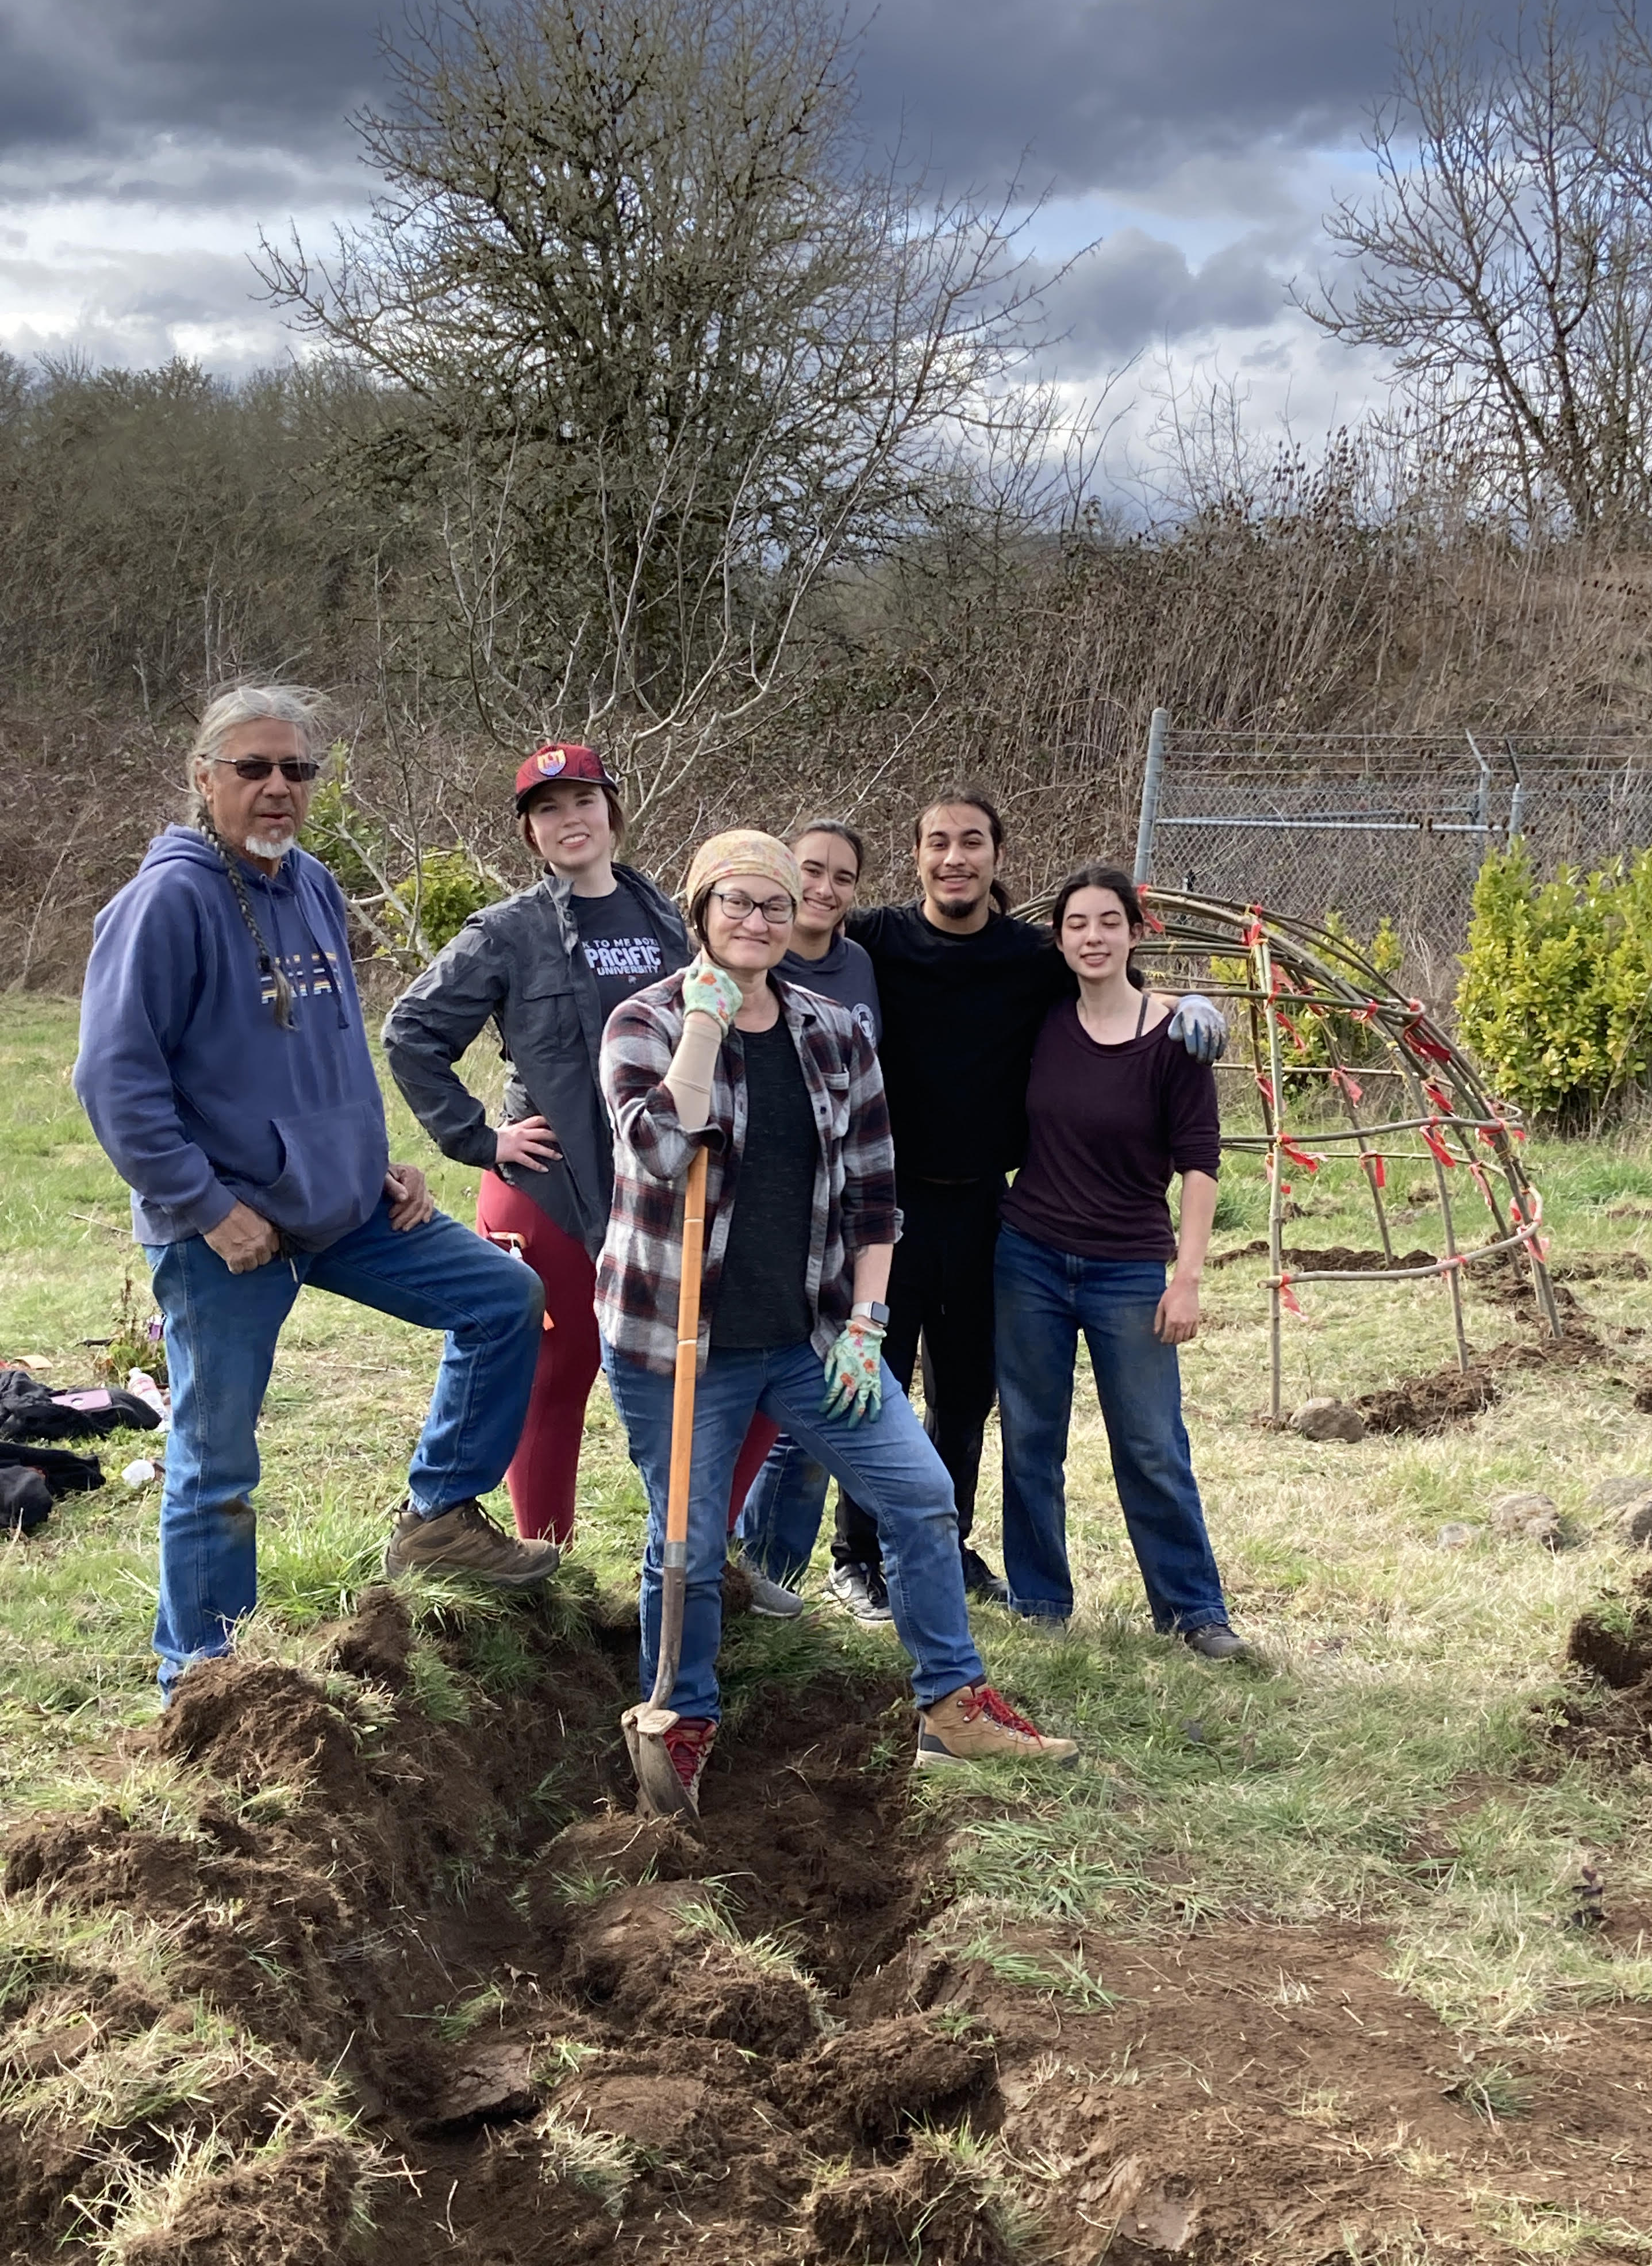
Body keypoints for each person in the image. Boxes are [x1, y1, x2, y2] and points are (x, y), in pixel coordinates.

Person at [73, 685, 556, 1696]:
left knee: (501, 1299)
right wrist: (209, 1208)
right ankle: (202, 1682)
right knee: (217, 1465)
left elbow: (328, 1055)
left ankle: (438, 1517)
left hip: (343, 1211)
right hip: (225, 1232)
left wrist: (370, 1162)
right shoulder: (166, 903)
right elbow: (114, 1082)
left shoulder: (313, 884)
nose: (278, 787)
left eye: (297, 769)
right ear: (204, 778)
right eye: (253, 768)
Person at [597, 827, 1078, 1807]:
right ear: (699, 912)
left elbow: (873, 1191)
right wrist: (704, 1028)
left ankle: (952, 1705)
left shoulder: (832, 1033)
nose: (757, 920)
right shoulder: (642, 1023)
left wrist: (867, 1321)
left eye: (774, 905)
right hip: (676, 1342)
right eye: (735, 902)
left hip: (810, 1338)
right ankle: (683, 1716)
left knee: (920, 1492)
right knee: (687, 1541)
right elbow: (660, 1150)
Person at [834, 789, 1227, 1621]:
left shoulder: (1029, 957)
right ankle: (859, 1553)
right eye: (939, 842)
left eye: (972, 842)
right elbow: (803, 941)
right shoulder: (877, 939)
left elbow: (1116, 986)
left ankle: (946, 1542)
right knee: (878, 1381)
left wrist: (1192, 1005)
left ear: (997, 857)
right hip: (891, 1207)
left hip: (988, 1209)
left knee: (967, 1394)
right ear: (917, 856)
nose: (955, 858)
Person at [382, 744, 687, 1547]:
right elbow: (411, 1032)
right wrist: (480, 1138)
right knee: (556, 1376)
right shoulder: (506, 932)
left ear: (612, 812)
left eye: (583, 801)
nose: (569, 820)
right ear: (530, 832)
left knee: (683, 1372)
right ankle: (548, 1561)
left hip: (655, 1183)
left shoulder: (667, 918)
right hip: (546, 1183)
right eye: (548, 810)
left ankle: (690, 1560)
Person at [994, 865, 1248, 1659]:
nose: (1093, 937)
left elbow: (1200, 1163)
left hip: (1128, 1269)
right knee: (1031, 1440)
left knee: (1150, 1443)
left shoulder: (1177, 1041)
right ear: (1060, 938)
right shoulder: (1041, 1021)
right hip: (1029, 1258)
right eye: (1076, 923)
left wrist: (1187, 1278)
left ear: (1137, 933)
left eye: (1110, 921)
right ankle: (1040, 1600)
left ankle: (1194, 1610)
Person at [733, 819, 881, 1593]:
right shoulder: (751, 954)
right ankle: (752, 1564)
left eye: (842, 877)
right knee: (768, 1409)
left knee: (820, 1397)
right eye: (810, 872)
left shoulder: (863, 961)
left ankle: (777, 1572)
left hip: (846, 1207)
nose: (824, 888)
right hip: (762, 1220)